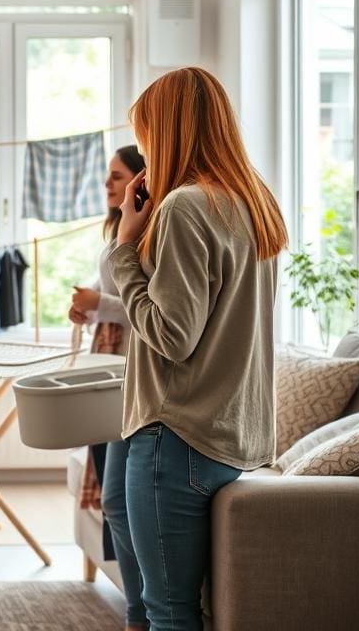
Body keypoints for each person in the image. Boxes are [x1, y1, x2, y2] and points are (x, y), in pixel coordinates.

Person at [105, 67, 287, 631]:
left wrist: (123, 252)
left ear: (170, 132)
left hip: (175, 435)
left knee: (172, 614)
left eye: (149, 135)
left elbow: (170, 336)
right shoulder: (255, 202)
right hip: (229, 433)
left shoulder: (185, 207)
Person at [68, 145, 147, 631]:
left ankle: (140, 612)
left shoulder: (148, 234)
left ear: (141, 182)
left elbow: (149, 309)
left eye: (117, 177)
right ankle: (138, 609)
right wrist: (93, 307)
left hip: (131, 374)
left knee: (117, 498)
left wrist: (103, 303)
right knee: (114, 498)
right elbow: (126, 301)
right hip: (111, 368)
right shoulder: (120, 232)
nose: (108, 185)